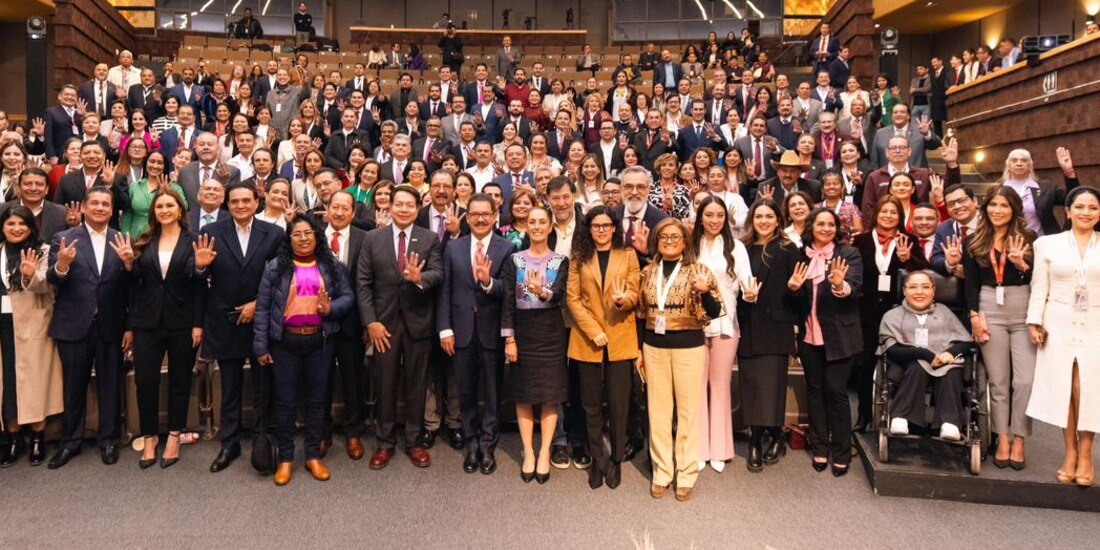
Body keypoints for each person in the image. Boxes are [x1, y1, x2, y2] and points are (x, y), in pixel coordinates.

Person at [254, 215, 353, 485]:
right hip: (285, 343)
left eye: (308, 233)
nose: (303, 238)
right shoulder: (275, 267)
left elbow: (348, 298)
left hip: (320, 342)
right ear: (289, 238)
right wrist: (261, 345)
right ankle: (286, 458)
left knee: (316, 401)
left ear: (316, 235)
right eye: (296, 234)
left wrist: (331, 308)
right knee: (285, 403)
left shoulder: (331, 265)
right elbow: (262, 308)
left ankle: (312, 456)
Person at [197, 182, 283, 473]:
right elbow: (197, 276)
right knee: (230, 386)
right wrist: (199, 267)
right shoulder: (210, 233)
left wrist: (258, 303)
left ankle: (263, 437)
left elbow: (284, 278)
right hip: (225, 319)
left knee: (263, 384)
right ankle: (229, 442)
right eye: (235, 201)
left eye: (246, 200)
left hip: (262, 319)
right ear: (227, 204)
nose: (241, 206)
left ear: (257, 202)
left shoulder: (274, 233)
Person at [357, 185, 443, 469]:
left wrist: (420, 278)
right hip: (384, 326)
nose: (404, 209)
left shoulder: (430, 238)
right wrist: (371, 322)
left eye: (410, 205)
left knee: (416, 385)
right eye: (399, 204)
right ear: (390, 207)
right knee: (385, 383)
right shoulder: (372, 239)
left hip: (419, 324)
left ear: (417, 209)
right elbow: (363, 284)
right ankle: (385, 443)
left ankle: (414, 441)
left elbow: (438, 275)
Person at [46, 187, 133, 469]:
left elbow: (131, 289)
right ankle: (70, 442)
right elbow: (53, 280)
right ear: (83, 208)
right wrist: (61, 266)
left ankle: (109, 440)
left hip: (111, 325)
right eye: (94, 203)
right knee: (73, 387)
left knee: (111, 384)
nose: (99, 208)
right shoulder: (63, 238)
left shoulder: (121, 239)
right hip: (74, 325)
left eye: (105, 204)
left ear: (112, 210)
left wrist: (130, 265)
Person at [639, 218, 725, 502]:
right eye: (663, 236)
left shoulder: (700, 271)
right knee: (659, 411)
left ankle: (686, 474)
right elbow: (641, 314)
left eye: (676, 236)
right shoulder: (648, 271)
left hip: (689, 347)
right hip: (654, 348)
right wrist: (639, 350)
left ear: (686, 241)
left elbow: (714, 312)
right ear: (656, 241)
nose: (669, 241)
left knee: (688, 413)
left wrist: (704, 292)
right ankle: (662, 471)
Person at [437, 193, 516, 475]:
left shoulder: (506, 248)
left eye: (486, 214)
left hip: (491, 331)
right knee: (466, 391)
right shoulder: (453, 248)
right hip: (460, 332)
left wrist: (488, 283)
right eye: (475, 214)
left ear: (495, 216)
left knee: (493, 394)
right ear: (466, 218)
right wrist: (444, 328)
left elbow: (509, 291)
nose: (481, 219)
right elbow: (445, 290)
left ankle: (488, 444)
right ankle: (471, 443)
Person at [1027, 186, 1100, 487]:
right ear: (1067, 212)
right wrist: (1034, 321)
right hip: (1057, 322)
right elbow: (1039, 287)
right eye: (1079, 207)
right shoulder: (1047, 244)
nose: (1086, 212)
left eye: (1093, 208)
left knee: (1088, 390)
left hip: (1095, 323)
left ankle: (1086, 454)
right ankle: (1069, 453)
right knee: (1064, 390)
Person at [128, 189, 205, 469]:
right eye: (159, 206)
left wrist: (198, 323)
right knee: (145, 381)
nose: (164, 210)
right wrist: (128, 265)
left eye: (169, 205)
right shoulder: (144, 240)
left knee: (180, 379)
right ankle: (150, 436)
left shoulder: (194, 241)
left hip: (182, 320)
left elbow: (199, 286)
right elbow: (135, 285)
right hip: (147, 321)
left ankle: (174, 434)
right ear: (153, 212)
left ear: (180, 209)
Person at [566, 206, 640, 490]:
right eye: (595, 226)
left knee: (619, 404)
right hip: (588, 339)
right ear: (589, 229)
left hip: (621, 338)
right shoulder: (578, 258)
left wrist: (624, 300)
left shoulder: (629, 255)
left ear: (614, 228)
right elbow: (572, 299)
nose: (601, 230)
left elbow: (635, 291)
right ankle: (598, 457)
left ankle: (617, 458)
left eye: (605, 225)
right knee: (590, 403)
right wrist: (594, 330)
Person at [964, 186, 1037, 468]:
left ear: (1015, 209)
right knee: (998, 382)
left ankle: (1020, 437)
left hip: (1022, 309)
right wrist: (974, 316)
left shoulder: (1030, 239)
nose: (997, 210)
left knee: (1025, 381)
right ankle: (1002, 437)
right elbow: (970, 284)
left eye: (1004, 205)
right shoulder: (974, 240)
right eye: (993, 204)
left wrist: (1021, 264)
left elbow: (1037, 279)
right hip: (988, 308)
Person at [789, 208, 863, 476]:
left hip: (840, 336)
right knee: (815, 391)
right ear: (811, 226)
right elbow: (797, 302)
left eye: (831, 224)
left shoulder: (848, 254)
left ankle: (841, 450)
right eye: (820, 223)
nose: (826, 228)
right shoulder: (801, 255)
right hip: (809, 336)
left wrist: (839, 285)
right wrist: (794, 289)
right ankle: (819, 447)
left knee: (836, 391)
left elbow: (856, 289)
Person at [501, 205, 569, 484]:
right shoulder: (514, 259)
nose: (538, 226)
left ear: (550, 227)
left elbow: (560, 295)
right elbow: (507, 300)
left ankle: (544, 453)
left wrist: (543, 291)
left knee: (550, 395)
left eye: (543, 222)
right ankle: (528, 451)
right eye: (532, 222)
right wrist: (510, 338)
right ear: (526, 226)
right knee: (524, 394)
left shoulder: (561, 260)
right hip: (523, 331)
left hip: (551, 332)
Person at [852, 195, 928, 431]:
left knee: (900, 364)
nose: (888, 216)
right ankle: (864, 416)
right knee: (865, 365)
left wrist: (909, 260)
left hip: (899, 312)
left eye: (893, 212)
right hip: (866, 313)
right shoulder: (861, 240)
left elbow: (924, 274)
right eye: (884, 211)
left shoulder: (909, 240)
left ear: (900, 216)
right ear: (876, 214)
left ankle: (899, 417)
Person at [692, 196, 754, 472]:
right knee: (696, 385)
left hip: (726, 323)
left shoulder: (736, 247)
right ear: (700, 217)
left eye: (719, 215)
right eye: (709, 215)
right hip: (693, 323)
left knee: (719, 385)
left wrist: (751, 292)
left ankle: (719, 448)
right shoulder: (691, 246)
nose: (714, 220)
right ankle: (698, 447)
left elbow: (747, 283)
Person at [0, 206, 63, 467]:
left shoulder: (44, 250)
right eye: (10, 223)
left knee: (35, 380)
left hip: (33, 322)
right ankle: (13, 437)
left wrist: (30, 276)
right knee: (8, 382)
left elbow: (47, 285)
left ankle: (38, 437)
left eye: (22, 224)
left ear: (30, 227)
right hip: (3, 323)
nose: (16, 228)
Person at [880, 270, 973, 440]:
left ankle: (949, 423)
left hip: (945, 364)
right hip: (909, 366)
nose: (919, 292)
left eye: (925, 287)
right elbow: (892, 350)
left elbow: (966, 342)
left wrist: (949, 354)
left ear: (933, 291)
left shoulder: (944, 312)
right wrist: (926, 355)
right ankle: (901, 417)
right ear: (904, 290)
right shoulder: (892, 316)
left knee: (951, 370)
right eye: (913, 287)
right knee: (917, 366)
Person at [997, 148, 1080, 237]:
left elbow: (1074, 198)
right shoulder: (998, 190)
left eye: (1024, 160)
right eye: (1014, 160)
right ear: (1008, 166)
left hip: (1042, 242)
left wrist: (1069, 171)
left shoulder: (1046, 188)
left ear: (1030, 166)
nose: (1019, 163)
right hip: (1007, 242)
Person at [122, 150, 187, 238]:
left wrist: (169, 192)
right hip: (136, 236)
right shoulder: (135, 186)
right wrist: (125, 236)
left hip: (163, 235)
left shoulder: (174, 187)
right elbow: (127, 214)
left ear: (165, 166)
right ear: (146, 163)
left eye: (160, 163)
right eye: (152, 161)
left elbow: (184, 208)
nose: (155, 166)